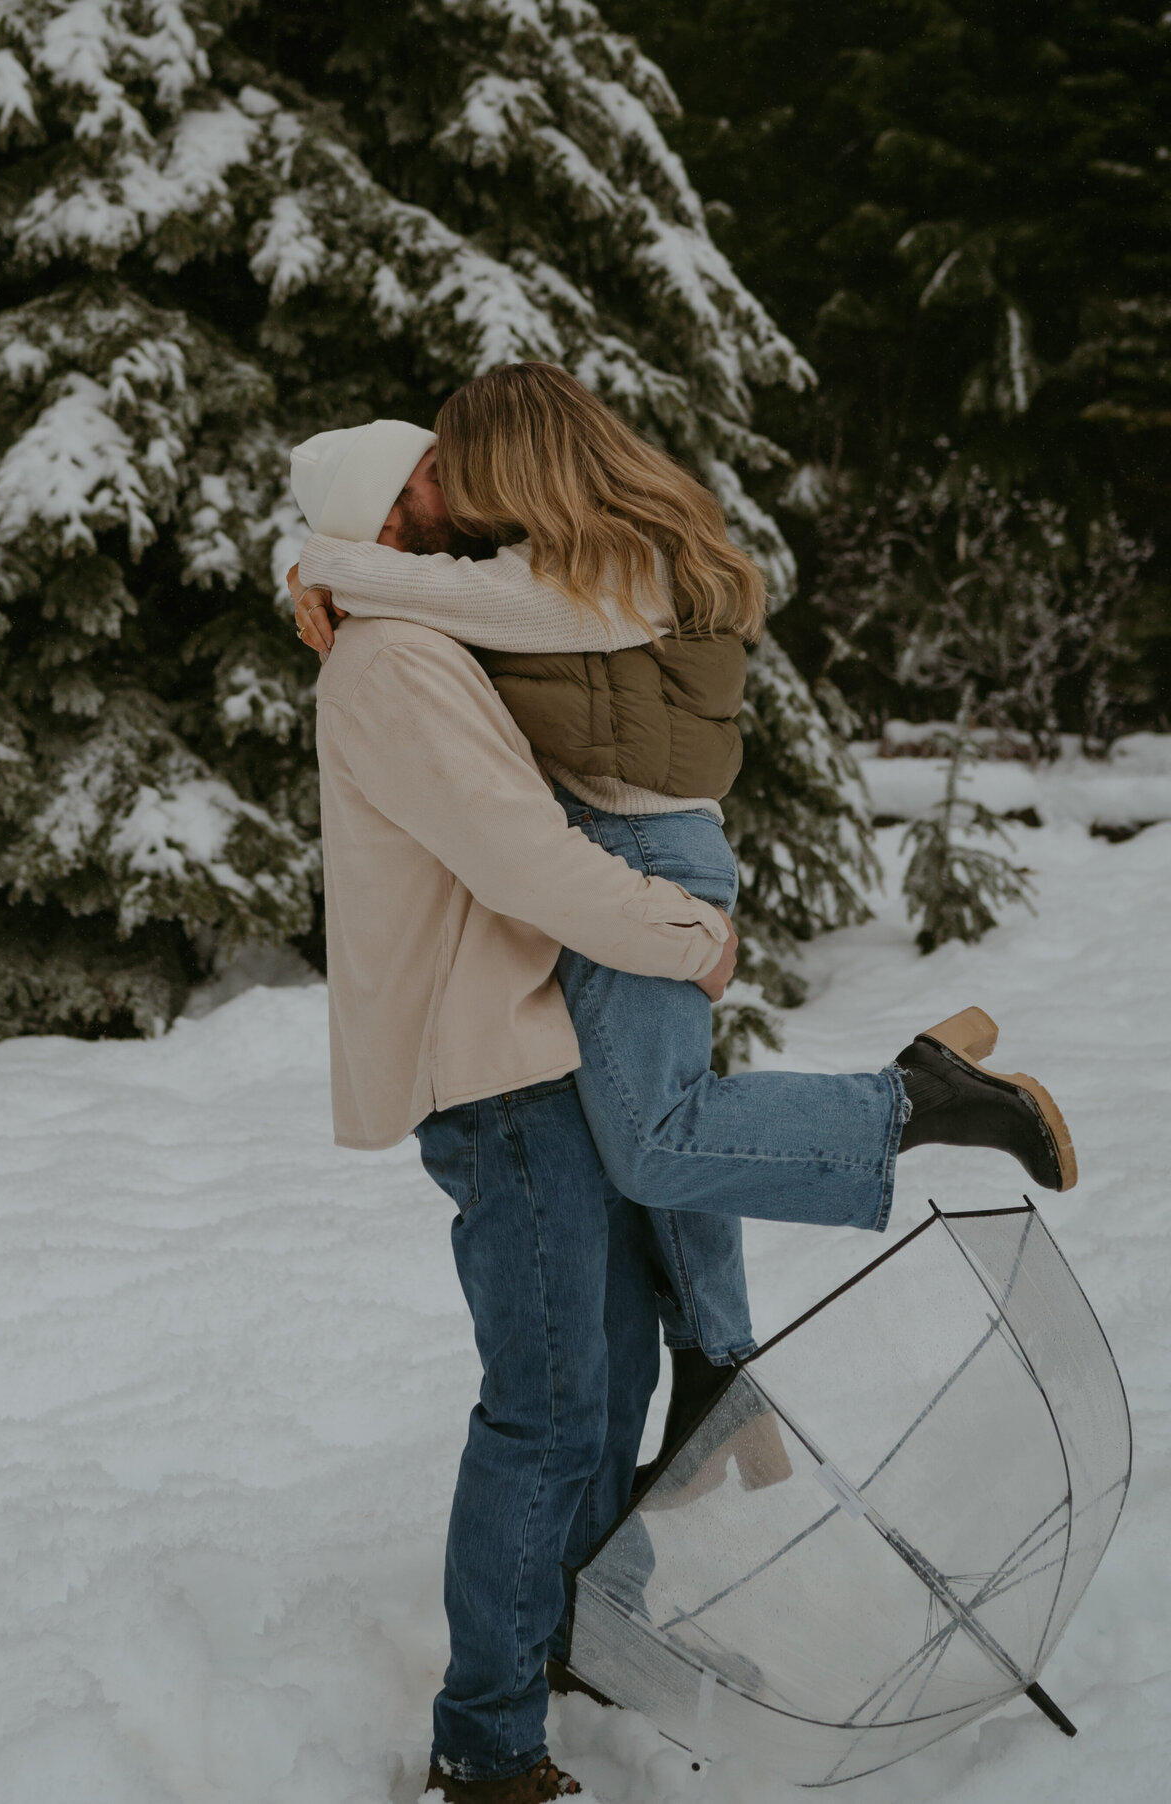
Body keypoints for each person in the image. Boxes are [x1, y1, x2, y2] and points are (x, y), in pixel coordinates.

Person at [287, 405, 1075, 1802]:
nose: (452, 489)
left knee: (610, 1375)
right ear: (377, 511)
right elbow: (517, 850)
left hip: (539, 1050)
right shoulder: (394, 665)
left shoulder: (428, 625)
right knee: (546, 1404)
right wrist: (675, 931)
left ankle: (592, 1628)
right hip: (496, 1076)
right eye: (420, 478)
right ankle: (487, 1737)